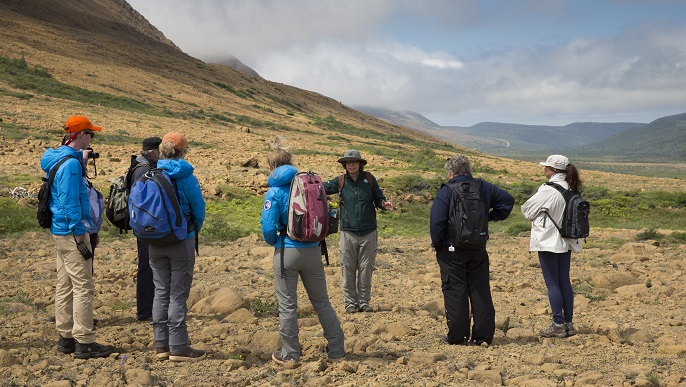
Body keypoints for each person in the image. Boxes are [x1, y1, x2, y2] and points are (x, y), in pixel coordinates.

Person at [260, 137, 345, 364]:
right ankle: (337, 349)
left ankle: (290, 354)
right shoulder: (308, 185)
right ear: (291, 161)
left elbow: (268, 227)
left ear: (272, 167)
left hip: (287, 250)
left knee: (288, 305)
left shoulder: (275, 192)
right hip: (314, 250)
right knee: (322, 302)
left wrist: (274, 242)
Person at [40, 115, 114, 359]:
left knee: (65, 284)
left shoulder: (58, 158)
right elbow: (70, 200)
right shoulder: (71, 165)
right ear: (81, 134)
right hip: (73, 233)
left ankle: (66, 338)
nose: (92, 138)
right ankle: (84, 341)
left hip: (59, 231)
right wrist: (81, 232)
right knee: (83, 287)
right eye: (91, 133)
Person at [429, 155, 514, 346]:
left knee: (455, 290)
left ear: (450, 172)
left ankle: (458, 337)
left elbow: (437, 221)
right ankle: (482, 337)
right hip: (478, 248)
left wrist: (437, 244)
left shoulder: (447, 190)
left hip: (452, 250)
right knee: (480, 290)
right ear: (468, 170)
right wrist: (489, 217)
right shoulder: (484, 187)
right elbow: (508, 200)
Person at [146, 132, 206, 361]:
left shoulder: (152, 172)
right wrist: (191, 229)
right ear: (182, 152)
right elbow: (198, 208)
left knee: (161, 291)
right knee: (178, 295)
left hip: (154, 239)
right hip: (181, 239)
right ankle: (179, 346)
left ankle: (161, 345)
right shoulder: (186, 176)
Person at [323, 150, 393, 314]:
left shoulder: (369, 179)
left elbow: (379, 198)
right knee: (347, 267)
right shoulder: (340, 181)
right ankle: (350, 303)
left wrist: (384, 204)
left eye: (354, 162)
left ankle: (364, 302)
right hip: (348, 232)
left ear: (360, 164)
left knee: (366, 268)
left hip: (369, 231)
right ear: (345, 165)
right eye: (348, 163)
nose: (351, 165)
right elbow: (321, 189)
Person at [521, 155, 582, 338]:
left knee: (552, 282)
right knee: (564, 280)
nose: (544, 170)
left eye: (546, 167)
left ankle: (557, 324)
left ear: (554, 170)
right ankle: (568, 323)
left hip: (549, 241)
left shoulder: (548, 189)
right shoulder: (572, 188)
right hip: (567, 240)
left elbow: (527, 210)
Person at [130, 136, 162, 322]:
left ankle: (147, 309)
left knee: (148, 266)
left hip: (143, 225)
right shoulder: (143, 170)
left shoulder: (139, 166)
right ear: (153, 153)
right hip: (146, 227)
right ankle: (145, 311)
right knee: (147, 267)